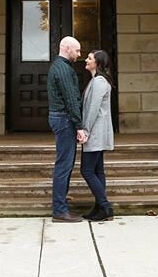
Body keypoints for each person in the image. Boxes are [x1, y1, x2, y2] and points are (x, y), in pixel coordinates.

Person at [47, 36, 87, 223]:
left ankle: (61, 205)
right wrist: (79, 125)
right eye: (77, 50)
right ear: (67, 48)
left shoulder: (59, 66)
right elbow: (71, 99)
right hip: (64, 119)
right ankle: (60, 210)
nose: (79, 54)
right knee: (64, 165)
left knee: (64, 164)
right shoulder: (63, 69)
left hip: (60, 118)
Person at [80, 50, 115, 222]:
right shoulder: (96, 81)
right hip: (97, 131)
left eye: (90, 58)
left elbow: (93, 109)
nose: (86, 60)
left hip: (95, 132)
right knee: (97, 170)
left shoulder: (99, 82)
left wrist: (85, 130)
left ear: (98, 63)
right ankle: (99, 207)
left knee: (86, 170)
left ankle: (105, 206)